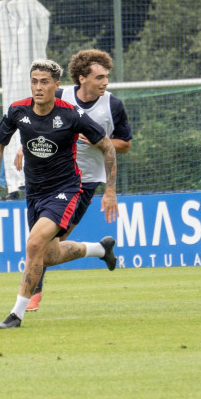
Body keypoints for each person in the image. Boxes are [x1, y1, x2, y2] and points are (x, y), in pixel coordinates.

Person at [0, 59, 119, 329]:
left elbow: (108, 147)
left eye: (45, 82)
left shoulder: (71, 115)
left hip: (65, 190)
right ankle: (100, 249)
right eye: (34, 81)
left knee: (33, 244)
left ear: (56, 85)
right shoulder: (17, 110)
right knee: (48, 255)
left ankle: (16, 314)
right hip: (34, 192)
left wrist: (110, 190)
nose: (38, 87)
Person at [15, 49, 132, 312]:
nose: (105, 82)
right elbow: (37, 122)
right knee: (43, 244)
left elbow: (124, 145)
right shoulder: (60, 97)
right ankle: (100, 250)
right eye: (100, 77)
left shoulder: (113, 105)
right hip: (50, 179)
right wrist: (26, 146)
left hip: (84, 183)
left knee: (44, 245)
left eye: (106, 76)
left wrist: (97, 143)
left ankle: (33, 292)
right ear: (82, 78)